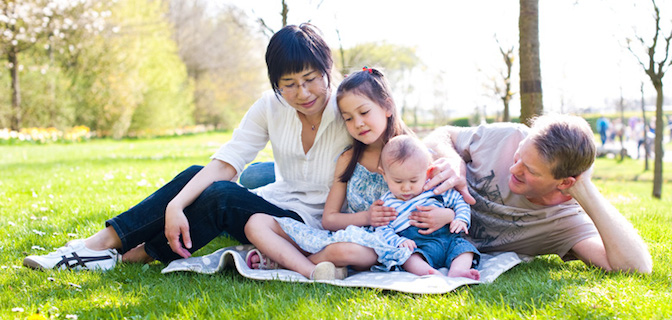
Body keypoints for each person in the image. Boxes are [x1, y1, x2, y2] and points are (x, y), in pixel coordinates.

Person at [22, 23, 354, 271]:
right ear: (275, 83)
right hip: (278, 205)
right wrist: (175, 206)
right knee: (201, 176)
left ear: (328, 70)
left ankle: (132, 254)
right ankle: (100, 245)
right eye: (289, 85)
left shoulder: (349, 107)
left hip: (315, 224)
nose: (303, 93)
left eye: (311, 79)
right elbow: (228, 161)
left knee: (221, 197)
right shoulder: (271, 106)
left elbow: (394, 146)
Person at [245, 67, 455, 279]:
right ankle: (315, 269)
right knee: (256, 222)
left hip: (381, 246)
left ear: (387, 107)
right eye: (348, 118)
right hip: (350, 235)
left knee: (344, 250)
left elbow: (449, 200)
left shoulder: (416, 156)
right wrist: (367, 217)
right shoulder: (348, 159)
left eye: (364, 113)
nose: (358, 124)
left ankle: (288, 265)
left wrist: (448, 215)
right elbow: (330, 219)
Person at [420, 114, 653, 274]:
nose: (514, 169)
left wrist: (586, 189)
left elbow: (636, 267)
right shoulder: (508, 136)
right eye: (519, 155)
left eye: (529, 170)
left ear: (565, 183)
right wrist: (453, 159)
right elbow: (440, 135)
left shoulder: (565, 221)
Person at [375, 135, 480, 279]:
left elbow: (459, 201)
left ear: (427, 172)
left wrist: (461, 219)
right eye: (398, 181)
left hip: (449, 239)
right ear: (385, 175)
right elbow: (382, 229)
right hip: (418, 246)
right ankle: (428, 273)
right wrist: (399, 241)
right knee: (407, 257)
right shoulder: (387, 203)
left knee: (465, 249)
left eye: (413, 180)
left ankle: (458, 270)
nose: (406, 188)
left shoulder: (434, 189)